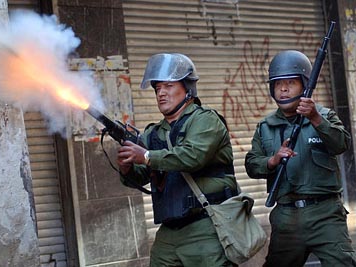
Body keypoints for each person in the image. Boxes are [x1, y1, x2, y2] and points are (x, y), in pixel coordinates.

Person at [117, 53, 239, 267]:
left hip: (206, 224)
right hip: (170, 229)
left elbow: (192, 157)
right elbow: (143, 176)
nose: (161, 93)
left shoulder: (206, 120)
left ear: (187, 89)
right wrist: (127, 168)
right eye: (157, 89)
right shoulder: (153, 133)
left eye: (168, 86)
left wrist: (145, 156)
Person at [244, 50, 356, 267]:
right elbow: (251, 164)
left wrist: (315, 118)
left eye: (290, 83)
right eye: (278, 84)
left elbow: (341, 144)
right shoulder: (266, 127)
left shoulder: (324, 116)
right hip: (286, 216)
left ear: (305, 86)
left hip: (325, 214)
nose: (283, 89)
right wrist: (272, 161)